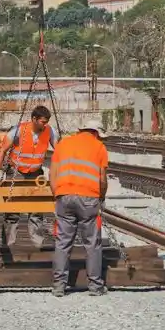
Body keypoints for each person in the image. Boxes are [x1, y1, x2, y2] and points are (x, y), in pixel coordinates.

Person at [48, 119, 109, 297]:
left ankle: (59, 286)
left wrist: (57, 195)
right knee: (92, 244)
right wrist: (101, 197)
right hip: (89, 199)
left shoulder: (63, 144)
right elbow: (102, 179)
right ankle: (95, 287)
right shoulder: (99, 147)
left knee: (63, 243)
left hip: (64, 196)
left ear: (80, 130)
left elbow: (52, 173)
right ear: (96, 133)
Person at [0, 105, 60, 246]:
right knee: (12, 210)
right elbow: (2, 151)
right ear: (34, 119)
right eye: (42, 122)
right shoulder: (19, 130)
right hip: (17, 172)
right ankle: (8, 244)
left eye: (46, 122)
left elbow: (59, 152)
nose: (45, 125)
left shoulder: (49, 131)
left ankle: (37, 244)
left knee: (37, 209)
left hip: (36, 173)